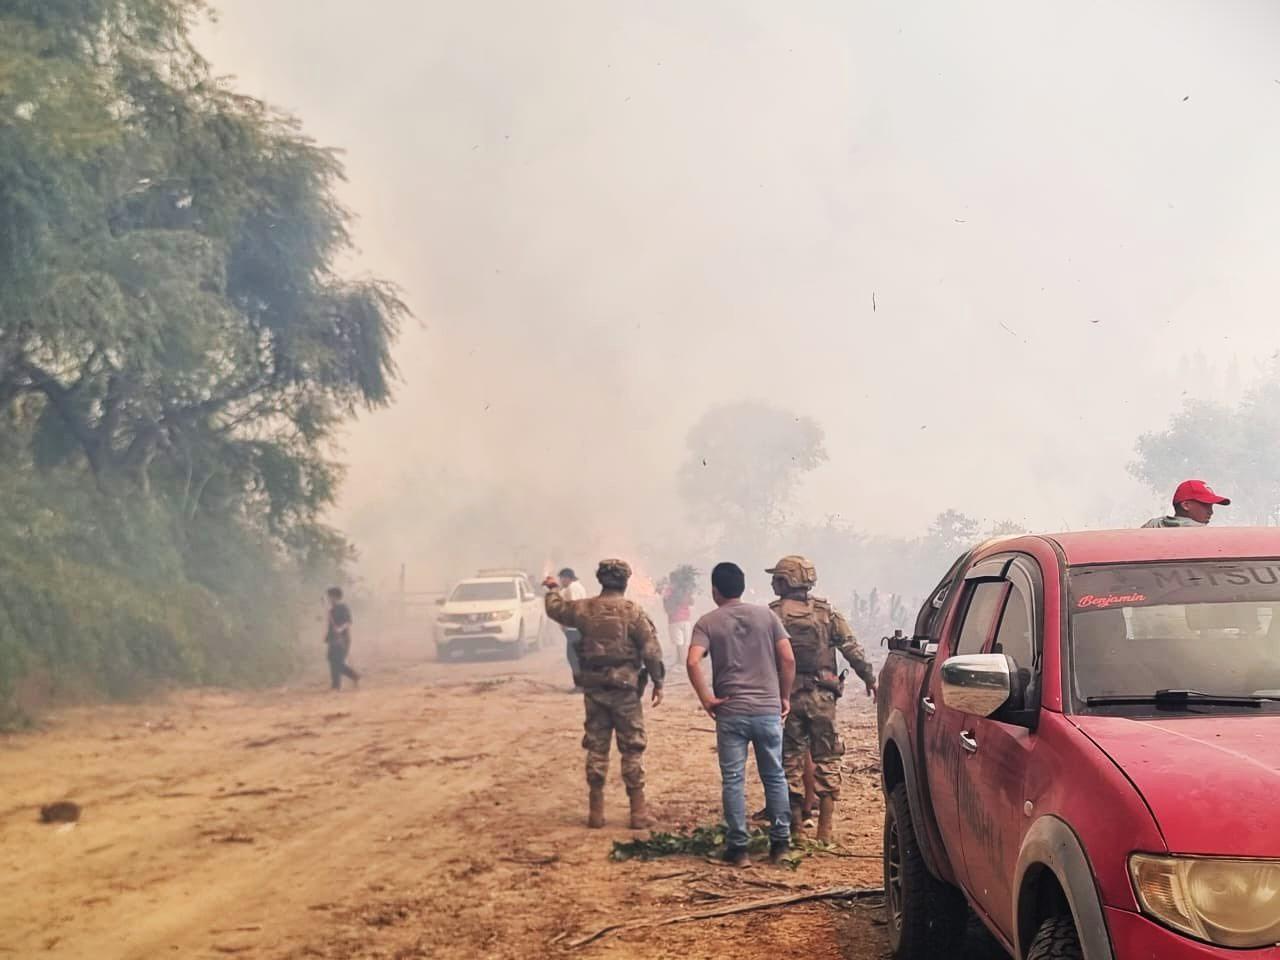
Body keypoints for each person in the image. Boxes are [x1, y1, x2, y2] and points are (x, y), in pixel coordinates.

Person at [687, 562, 795, 867]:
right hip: (767, 710)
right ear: (742, 586)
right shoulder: (767, 616)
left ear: (714, 590)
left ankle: (739, 849)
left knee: (733, 779)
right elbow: (787, 659)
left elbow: (693, 661)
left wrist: (707, 698)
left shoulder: (708, 622)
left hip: (730, 711)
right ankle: (781, 845)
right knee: (774, 775)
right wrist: (783, 696)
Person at [544, 559, 665, 830]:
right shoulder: (633, 612)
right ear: (625, 581)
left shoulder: (584, 608)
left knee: (597, 748)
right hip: (625, 691)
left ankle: (596, 812)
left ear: (601, 580)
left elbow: (556, 610)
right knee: (632, 748)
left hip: (594, 688)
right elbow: (651, 651)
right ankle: (637, 812)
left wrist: (552, 588)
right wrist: (658, 681)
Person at [768, 555, 876, 843]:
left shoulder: (773, 614)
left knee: (789, 759)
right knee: (827, 757)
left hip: (787, 697)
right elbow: (852, 649)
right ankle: (825, 830)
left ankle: (796, 831)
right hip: (823, 698)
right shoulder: (827, 613)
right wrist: (870, 679)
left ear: (785, 581)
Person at [1142, 479, 1231, 528]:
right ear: (1186, 505)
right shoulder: (1201, 531)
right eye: (1206, 505)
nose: (1211, 512)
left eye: (1211, 506)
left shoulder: (1153, 525)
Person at [557, 567, 588, 689]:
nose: (561, 581)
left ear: (566, 578)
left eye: (561, 579)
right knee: (575, 656)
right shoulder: (575, 587)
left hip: (574, 628)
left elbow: (574, 606)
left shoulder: (573, 588)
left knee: (573, 656)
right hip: (576, 628)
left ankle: (580, 685)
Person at [325, 587, 359, 691]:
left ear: (335, 597)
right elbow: (330, 625)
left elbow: (348, 622)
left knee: (338, 661)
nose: (328, 599)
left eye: (330, 597)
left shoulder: (343, 608)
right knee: (331, 659)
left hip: (343, 639)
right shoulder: (331, 610)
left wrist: (340, 629)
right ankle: (353, 676)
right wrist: (328, 636)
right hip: (333, 639)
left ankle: (336, 685)